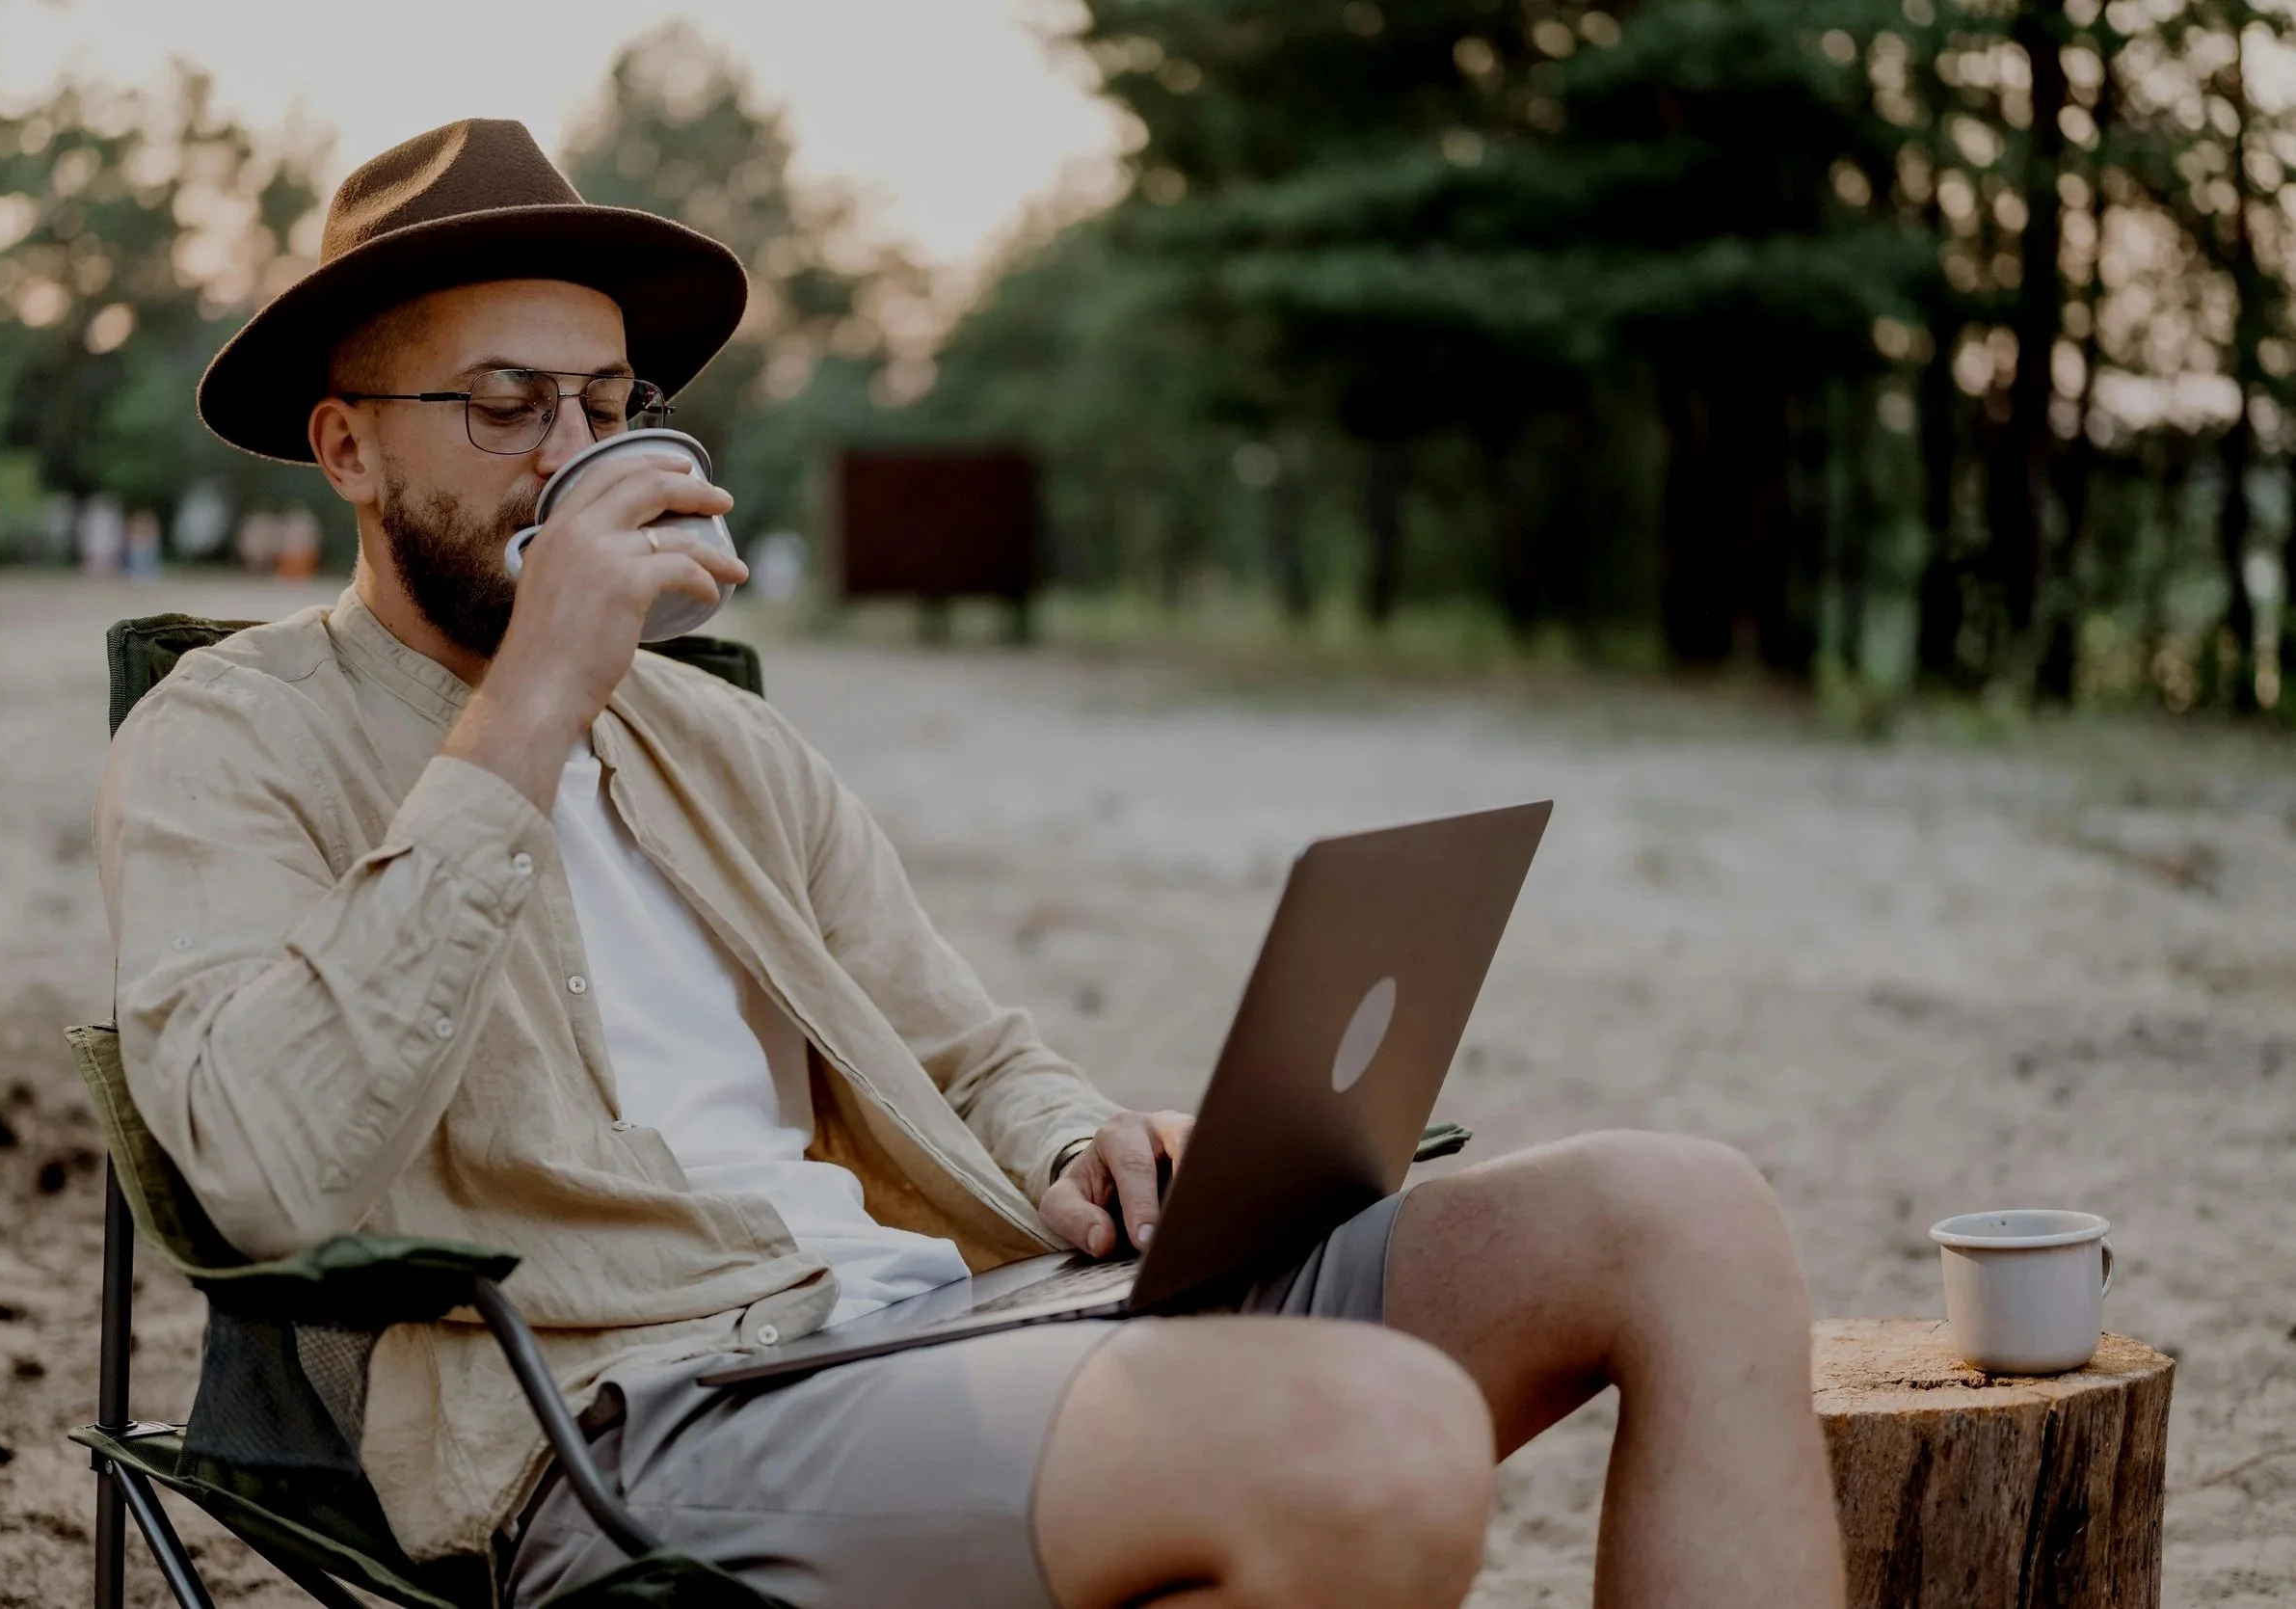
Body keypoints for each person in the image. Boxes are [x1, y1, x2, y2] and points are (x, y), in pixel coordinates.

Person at [96, 121, 1844, 1609]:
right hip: (637, 1421)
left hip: (954, 1319)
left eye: (608, 402)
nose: (576, 456)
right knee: (1368, 1437)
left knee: (1678, 1214)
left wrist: (1078, 1146)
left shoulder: (721, 745)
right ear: (346, 446)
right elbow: (265, 1172)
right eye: (501, 405)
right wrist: (533, 700)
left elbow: (971, 1054)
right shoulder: (225, 741)